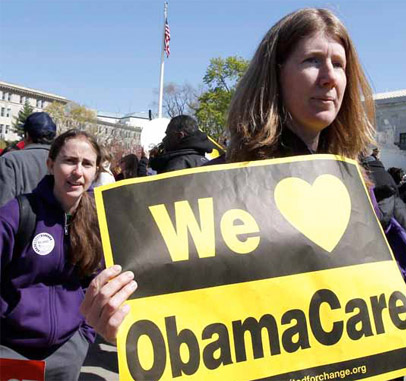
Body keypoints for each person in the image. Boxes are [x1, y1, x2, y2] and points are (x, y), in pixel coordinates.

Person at [80, 7, 381, 344]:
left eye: (338, 64)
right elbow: (168, 316)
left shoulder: (357, 187)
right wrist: (116, 318)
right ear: (275, 74)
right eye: (312, 60)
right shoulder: (215, 187)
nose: (329, 77)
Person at [0, 129, 104, 380]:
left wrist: (83, 336)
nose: (78, 171)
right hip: (11, 351)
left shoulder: (96, 220)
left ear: (96, 172)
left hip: (67, 353)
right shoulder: (18, 213)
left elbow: (97, 281)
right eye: (69, 161)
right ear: (51, 164)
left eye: (87, 164)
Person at [0, 112, 57, 207]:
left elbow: (4, 203)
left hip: (18, 220)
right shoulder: (63, 161)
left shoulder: (10, 160)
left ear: (27, 135)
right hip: (55, 221)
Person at [148, 115, 216, 173]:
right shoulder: (206, 162)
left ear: (179, 135)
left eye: (168, 134)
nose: (164, 139)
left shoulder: (177, 165)